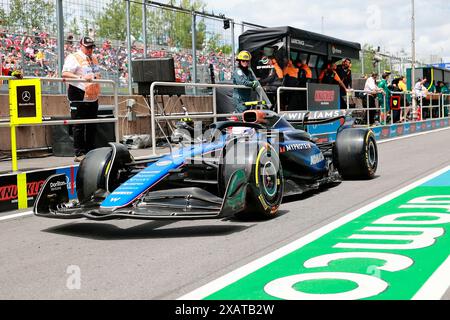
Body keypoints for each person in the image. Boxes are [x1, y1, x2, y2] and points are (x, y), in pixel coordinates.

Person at [62, 36, 101, 162]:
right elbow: (65, 73)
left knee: (91, 125)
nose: (90, 50)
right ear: (81, 45)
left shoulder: (94, 58)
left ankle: (90, 151)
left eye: (91, 47)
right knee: (79, 124)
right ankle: (79, 153)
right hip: (78, 93)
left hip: (92, 95)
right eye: (87, 47)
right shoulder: (73, 57)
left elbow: (97, 74)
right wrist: (81, 78)